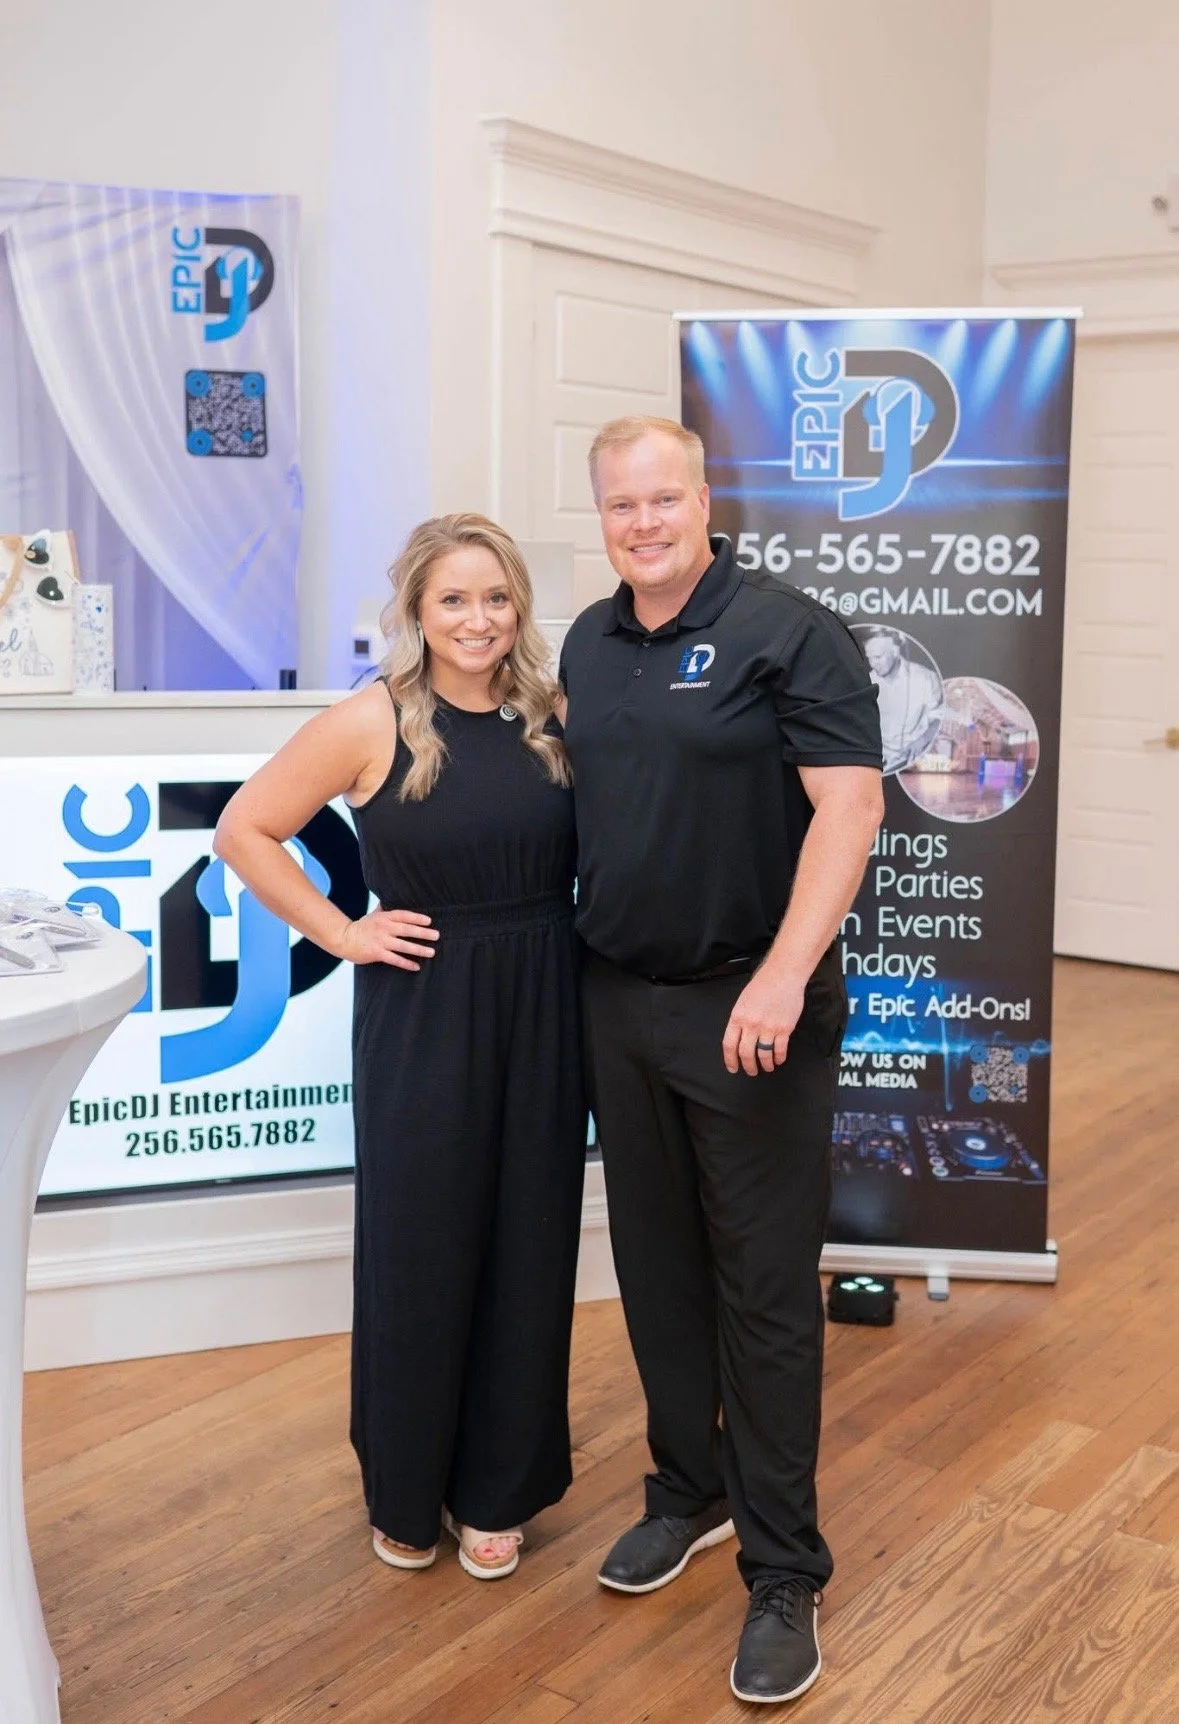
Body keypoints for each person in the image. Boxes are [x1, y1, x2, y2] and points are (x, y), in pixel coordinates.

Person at [559, 416, 884, 1705]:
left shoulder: (788, 630)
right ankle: (687, 1492)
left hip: (750, 1007)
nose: (643, 522)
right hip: (617, 1004)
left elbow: (849, 806)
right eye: (620, 504)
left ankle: (784, 1567)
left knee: (761, 1290)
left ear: (706, 497)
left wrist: (784, 975)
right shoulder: (589, 639)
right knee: (656, 1269)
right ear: (602, 515)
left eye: (663, 498)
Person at [214, 513, 586, 1581]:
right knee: (420, 1247)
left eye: (496, 597)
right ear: (417, 614)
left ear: (519, 607)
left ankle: (497, 1489)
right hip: (422, 1003)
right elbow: (245, 827)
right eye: (453, 599)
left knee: (528, 1242)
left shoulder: (551, 714)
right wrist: (341, 932)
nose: (477, 618)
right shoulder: (373, 718)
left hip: (544, 998)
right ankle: (407, 1485)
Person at [861, 627, 943, 773]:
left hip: (917, 762)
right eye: (869, 658)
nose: (873, 664)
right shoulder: (867, 682)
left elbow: (938, 718)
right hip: (879, 764)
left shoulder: (925, 678)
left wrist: (922, 741)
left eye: (878, 657)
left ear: (895, 651)